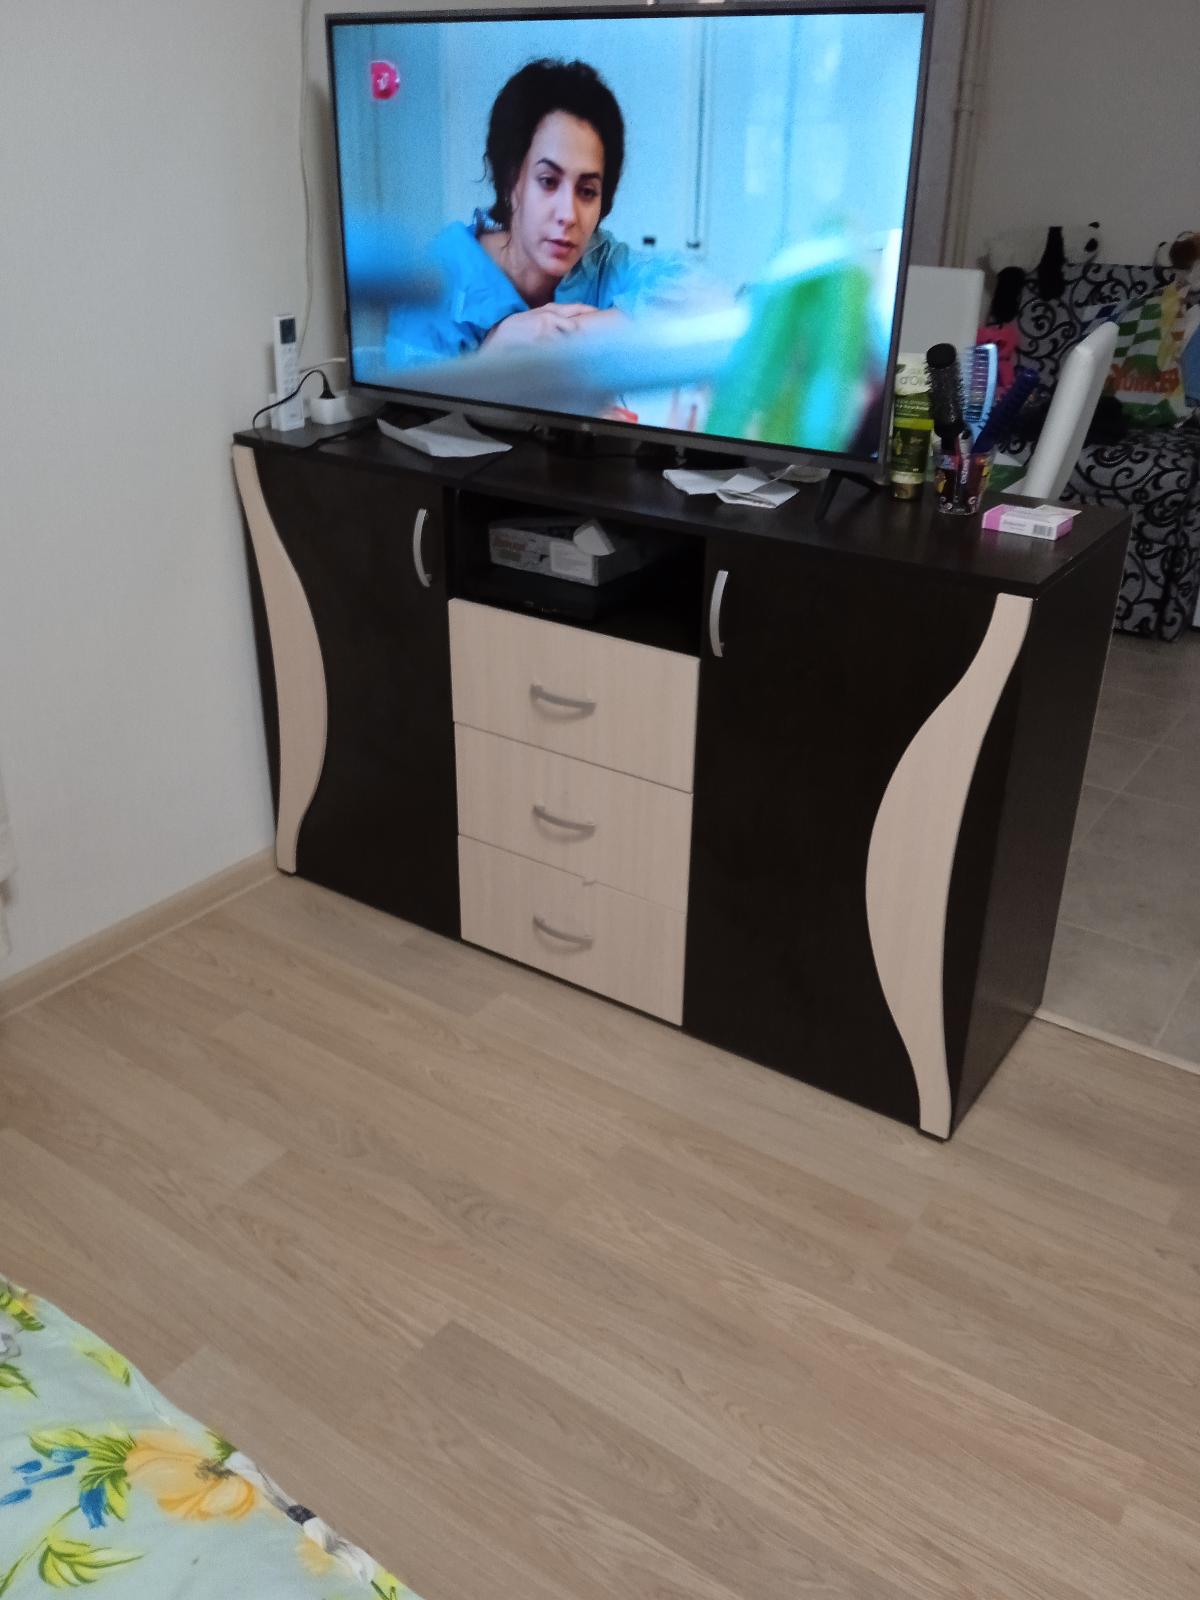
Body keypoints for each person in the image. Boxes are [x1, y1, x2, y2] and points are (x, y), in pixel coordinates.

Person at [384, 58, 701, 373]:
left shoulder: (600, 264)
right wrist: (493, 356)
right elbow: (408, 398)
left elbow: (697, 294)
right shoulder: (434, 281)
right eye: (548, 182)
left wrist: (568, 334)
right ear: (511, 180)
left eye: (587, 191)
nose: (568, 215)